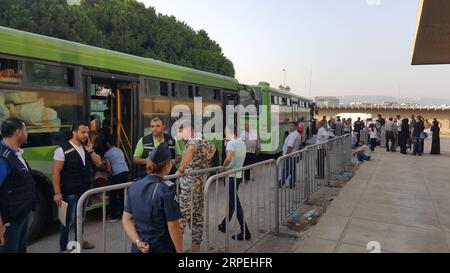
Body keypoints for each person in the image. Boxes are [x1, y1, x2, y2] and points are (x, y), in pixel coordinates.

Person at [122, 142, 183, 253]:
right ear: (168, 166)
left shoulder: (134, 185)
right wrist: (180, 251)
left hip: (140, 248)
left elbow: (126, 219)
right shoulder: (167, 190)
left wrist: (138, 242)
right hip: (161, 247)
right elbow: (173, 225)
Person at [52, 121, 103, 252]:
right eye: (83, 132)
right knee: (66, 221)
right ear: (74, 132)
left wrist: (91, 150)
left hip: (84, 191)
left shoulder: (87, 148)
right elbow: (56, 172)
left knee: (81, 219)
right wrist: (57, 192)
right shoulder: (62, 149)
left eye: (87, 132)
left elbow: (99, 163)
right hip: (69, 192)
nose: (86, 135)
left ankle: (79, 241)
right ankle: (63, 247)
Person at [177, 125, 216, 252]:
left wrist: (181, 168)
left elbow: (190, 150)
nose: (180, 136)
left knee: (180, 219)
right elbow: (213, 149)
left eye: (181, 133)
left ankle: (176, 249)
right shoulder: (203, 140)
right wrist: (206, 160)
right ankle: (195, 249)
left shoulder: (192, 142)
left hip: (190, 188)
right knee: (197, 219)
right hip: (201, 187)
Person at [0, 118, 36, 253]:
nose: (27, 133)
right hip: (9, 223)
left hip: (21, 216)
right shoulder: (2, 158)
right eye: (26, 130)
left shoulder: (16, 152)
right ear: (18, 132)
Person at [218, 125, 251, 241]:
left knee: (236, 205)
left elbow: (229, 158)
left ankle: (245, 231)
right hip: (237, 176)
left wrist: (222, 167)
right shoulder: (241, 143)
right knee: (232, 203)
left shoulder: (231, 143)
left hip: (230, 176)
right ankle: (223, 225)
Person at [104, 136, 130, 222]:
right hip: (126, 172)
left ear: (107, 143)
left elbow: (108, 169)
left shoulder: (107, 154)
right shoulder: (120, 150)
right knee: (123, 194)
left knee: (113, 195)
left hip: (117, 174)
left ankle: (113, 216)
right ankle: (124, 214)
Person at [281, 121, 301, 188]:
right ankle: (292, 184)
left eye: (292, 126)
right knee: (292, 171)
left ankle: (280, 183)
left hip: (290, 156)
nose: (290, 127)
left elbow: (290, 147)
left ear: (296, 127)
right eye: (290, 125)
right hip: (294, 155)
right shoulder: (297, 134)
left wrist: (286, 155)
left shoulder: (293, 135)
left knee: (286, 170)